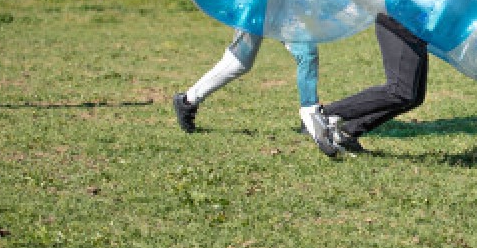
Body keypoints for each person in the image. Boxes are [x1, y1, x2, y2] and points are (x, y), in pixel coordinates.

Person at [303, 12, 428, 158]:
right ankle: (323, 115)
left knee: (414, 97)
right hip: (400, 19)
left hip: (417, 25)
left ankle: (347, 132)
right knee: (399, 90)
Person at [173, 33, 321, 134]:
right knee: (238, 63)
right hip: (256, 2)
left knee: (307, 54)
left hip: (286, 5)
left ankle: (310, 117)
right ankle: (187, 100)